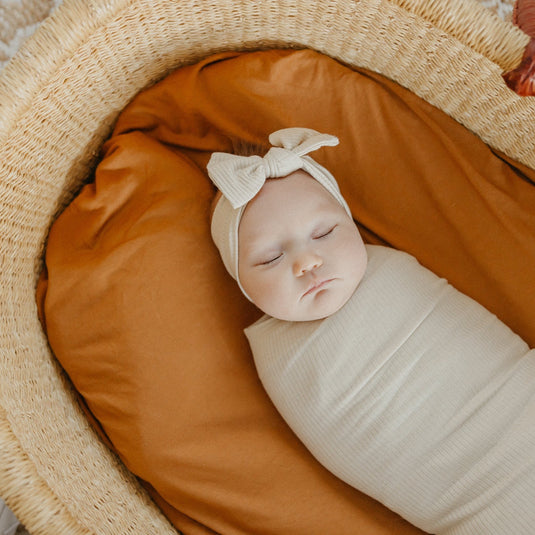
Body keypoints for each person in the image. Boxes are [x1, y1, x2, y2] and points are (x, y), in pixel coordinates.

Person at [207, 127, 535, 535]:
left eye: (325, 233)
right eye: (271, 258)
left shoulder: (395, 271)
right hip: (472, 505)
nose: (307, 261)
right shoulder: (276, 357)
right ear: (242, 286)